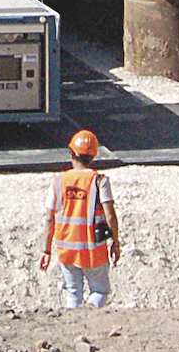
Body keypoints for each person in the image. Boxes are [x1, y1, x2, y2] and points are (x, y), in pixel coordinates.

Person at [39, 129, 121, 308]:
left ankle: (73, 325)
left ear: (72, 154)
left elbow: (49, 219)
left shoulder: (58, 181)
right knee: (100, 291)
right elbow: (110, 216)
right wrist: (115, 242)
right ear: (93, 156)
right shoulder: (99, 181)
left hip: (66, 247)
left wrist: (46, 251)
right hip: (93, 249)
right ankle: (89, 315)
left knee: (73, 293)